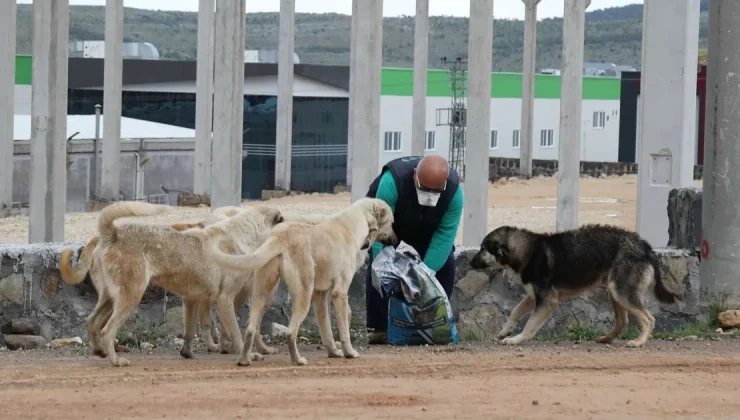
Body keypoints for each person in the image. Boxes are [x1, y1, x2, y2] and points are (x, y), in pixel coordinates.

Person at [364, 155, 463, 344]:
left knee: (446, 263)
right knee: (378, 267)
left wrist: (425, 276)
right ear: (414, 175)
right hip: (389, 225)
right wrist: (379, 263)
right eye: (425, 189)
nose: (430, 194)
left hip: (428, 227)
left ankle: (436, 324)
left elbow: (444, 235)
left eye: (436, 191)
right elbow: (376, 229)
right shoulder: (392, 182)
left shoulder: (454, 193)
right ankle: (378, 328)